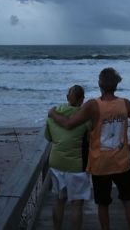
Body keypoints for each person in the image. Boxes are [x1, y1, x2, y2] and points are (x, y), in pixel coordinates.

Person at [48, 68, 130, 230]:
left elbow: (68, 123)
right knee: (129, 201)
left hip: (100, 165)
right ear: (116, 85)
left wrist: (52, 114)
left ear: (100, 84)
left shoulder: (93, 105)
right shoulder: (125, 103)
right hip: (122, 163)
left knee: (103, 204)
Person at [44, 85, 91, 230]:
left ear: (67, 98)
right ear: (82, 100)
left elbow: (49, 137)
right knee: (77, 204)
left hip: (56, 163)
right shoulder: (84, 119)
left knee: (59, 200)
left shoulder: (53, 116)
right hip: (77, 166)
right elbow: (90, 140)